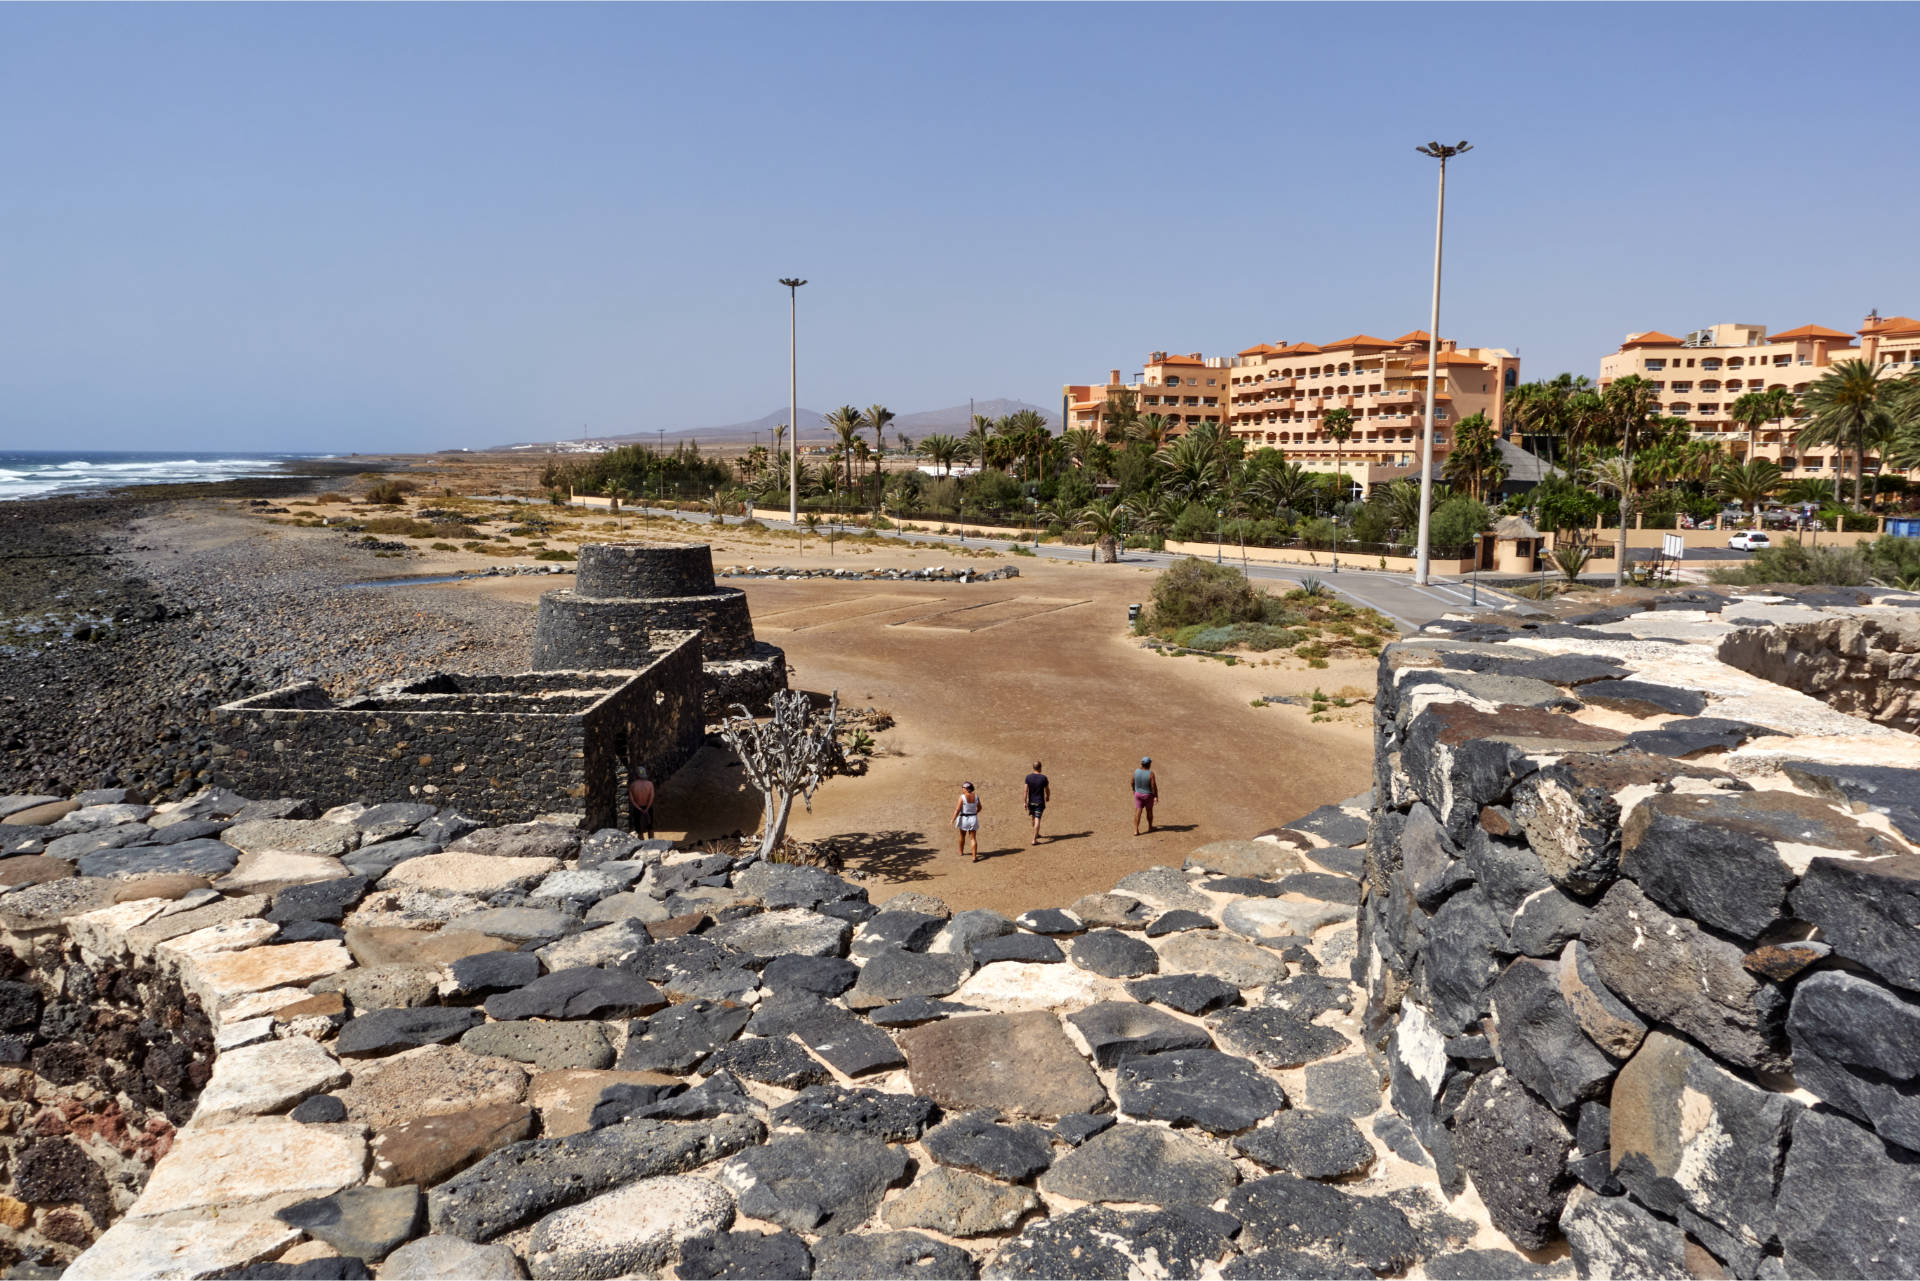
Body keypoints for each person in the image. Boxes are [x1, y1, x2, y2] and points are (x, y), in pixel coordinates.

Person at [952, 781, 983, 862]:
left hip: (964, 819)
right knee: (973, 838)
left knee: (962, 836)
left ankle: (961, 851)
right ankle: (974, 857)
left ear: (966, 788)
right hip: (973, 818)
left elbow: (957, 809)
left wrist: (953, 819)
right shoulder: (976, 796)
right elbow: (980, 807)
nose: (962, 789)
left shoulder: (962, 797)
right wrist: (975, 813)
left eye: (963, 787)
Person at [1024, 761, 1051, 845]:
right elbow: (1047, 789)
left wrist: (1025, 802)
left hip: (1031, 802)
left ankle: (1037, 833)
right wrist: (1048, 796)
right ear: (1040, 768)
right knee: (1037, 820)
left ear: (1033, 767)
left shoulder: (1028, 777)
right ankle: (1034, 839)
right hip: (1039, 802)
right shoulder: (1043, 778)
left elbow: (1025, 791)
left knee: (1033, 817)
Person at [1131, 756, 1159, 835]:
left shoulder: (1136, 771)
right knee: (1149, 811)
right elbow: (1153, 786)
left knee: (1138, 811)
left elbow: (1132, 781)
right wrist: (1156, 796)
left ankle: (1136, 830)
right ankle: (1150, 827)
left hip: (1138, 794)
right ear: (1149, 764)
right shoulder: (1151, 773)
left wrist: (1134, 790)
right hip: (1148, 795)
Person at [628, 766, 656, 839]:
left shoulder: (633, 785)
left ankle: (642, 845)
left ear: (636, 775)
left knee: (639, 829)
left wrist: (639, 809)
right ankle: (652, 842)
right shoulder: (650, 784)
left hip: (638, 809)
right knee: (650, 827)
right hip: (648, 808)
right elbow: (651, 797)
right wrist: (647, 808)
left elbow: (632, 800)